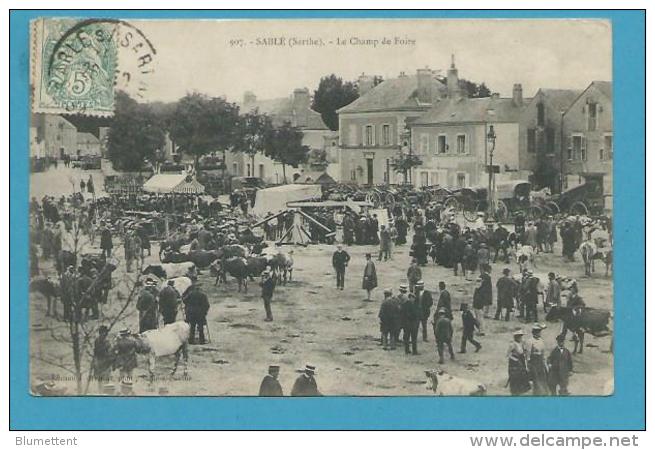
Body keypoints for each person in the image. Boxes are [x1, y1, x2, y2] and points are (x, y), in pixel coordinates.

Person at [527, 323, 550, 396]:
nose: (540, 333)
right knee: (536, 380)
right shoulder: (530, 341)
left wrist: (545, 364)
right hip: (534, 362)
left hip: (540, 362)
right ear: (535, 332)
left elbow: (543, 354)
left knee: (543, 379)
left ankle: (544, 394)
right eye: (538, 331)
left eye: (540, 331)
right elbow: (528, 354)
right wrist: (528, 366)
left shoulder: (541, 341)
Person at [507, 328, 531, 395]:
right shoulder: (512, 344)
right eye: (519, 336)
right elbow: (508, 354)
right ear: (516, 337)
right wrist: (515, 359)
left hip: (521, 361)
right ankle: (515, 391)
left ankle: (521, 390)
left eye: (521, 336)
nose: (520, 337)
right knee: (515, 377)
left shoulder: (522, 343)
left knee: (522, 375)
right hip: (514, 363)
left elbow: (525, 352)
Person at [92, 325, 113, 391]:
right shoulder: (105, 342)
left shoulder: (98, 340)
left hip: (102, 362)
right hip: (102, 361)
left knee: (103, 379)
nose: (104, 334)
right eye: (103, 332)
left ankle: (102, 392)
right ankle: (102, 392)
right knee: (102, 379)